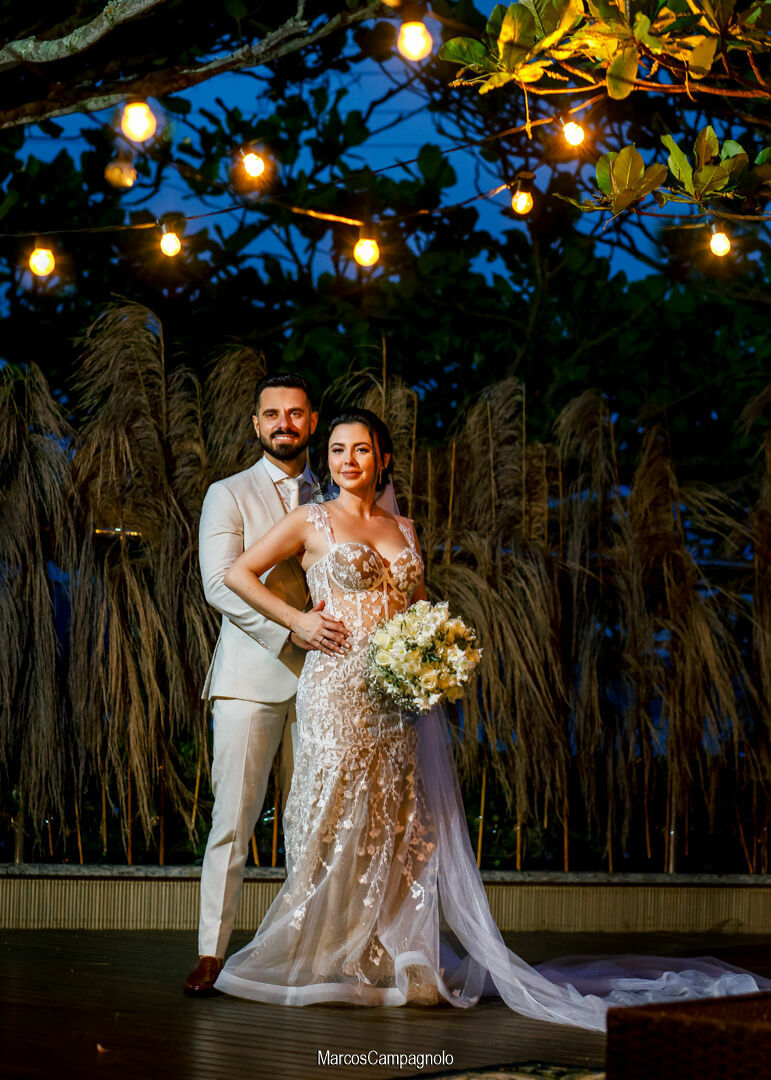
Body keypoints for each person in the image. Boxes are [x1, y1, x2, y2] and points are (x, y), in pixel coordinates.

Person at [212, 409, 771, 1028]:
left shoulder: (405, 526)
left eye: (362, 450)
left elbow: (413, 603)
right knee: (333, 810)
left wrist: (433, 650)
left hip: (397, 696)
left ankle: (393, 954)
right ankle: (322, 953)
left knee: (400, 817)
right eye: (339, 449)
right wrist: (299, 622)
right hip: (337, 687)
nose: (348, 460)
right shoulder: (310, 520)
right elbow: (237, 573)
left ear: (384, 459)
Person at [183, 373, 349, 996]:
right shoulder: (227, 494)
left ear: (312, 422)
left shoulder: (338, 494)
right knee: (234, 819)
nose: (285, 422)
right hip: (249, 679)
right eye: (272, 414)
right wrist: (293, 629)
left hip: (329, 682)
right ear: (256, 424)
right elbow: (219, 583)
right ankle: (210, 954)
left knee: (314, 824)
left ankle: (304, 950)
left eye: (297, 413)